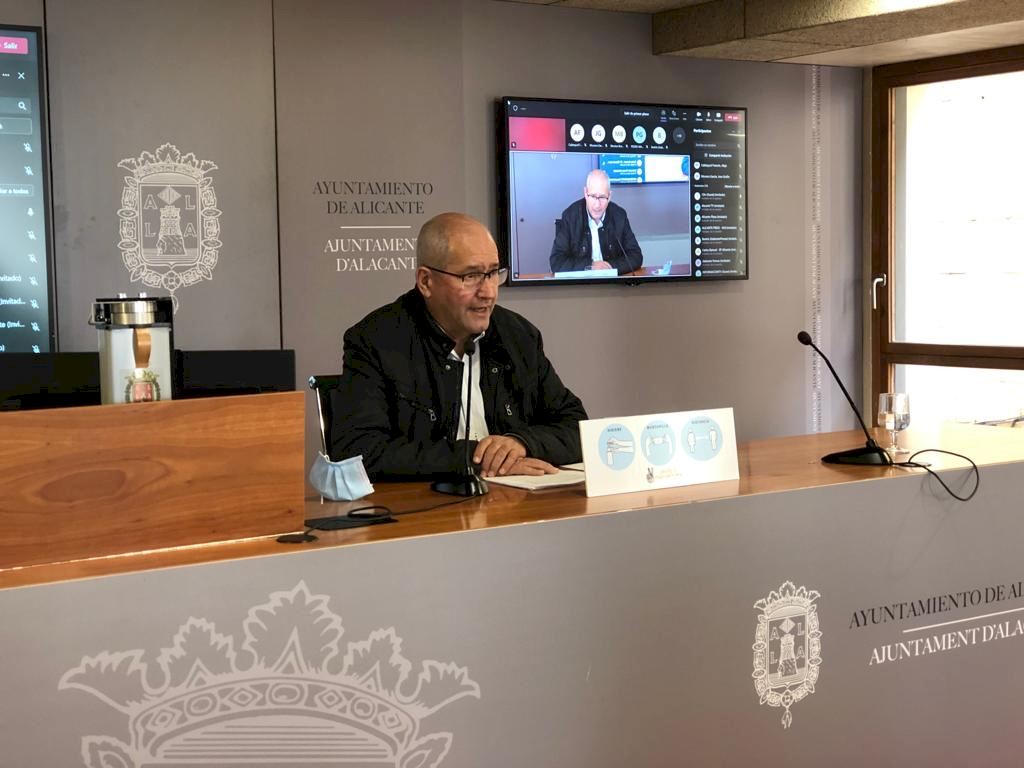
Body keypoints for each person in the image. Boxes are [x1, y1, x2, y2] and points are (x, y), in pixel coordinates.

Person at [331, 212, 587, 481]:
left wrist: (521, 443)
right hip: (428, 502)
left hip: (514, 499)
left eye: (493, 273)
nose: (488, 292)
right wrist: (475, 458)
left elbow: (577, 428)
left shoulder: (519, 336)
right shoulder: (376, 341)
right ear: (426, 281)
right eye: (471, 276)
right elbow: (358, 452)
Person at [549, 169, 644, 274]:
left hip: (612, 281)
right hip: (581, 283)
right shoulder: (570, 216)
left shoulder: (619, 216)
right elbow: (557, 262)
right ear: (586, 193)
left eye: (602, 197)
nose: (597, 205)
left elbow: (636, 256)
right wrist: (591, 266)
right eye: (593, 196)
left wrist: (610, 267)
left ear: (609, 196)